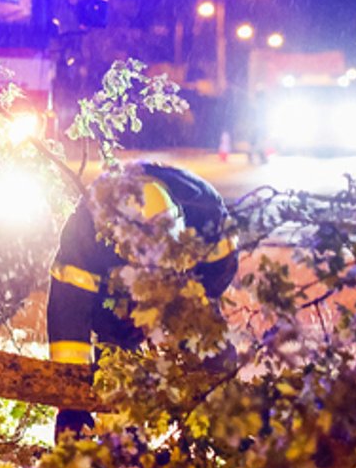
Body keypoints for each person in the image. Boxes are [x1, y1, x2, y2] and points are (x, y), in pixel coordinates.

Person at [49, 161, 236, 439]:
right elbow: (68, 318)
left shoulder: (205, 212)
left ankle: (222, 424)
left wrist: (171, 311)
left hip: (185, 287)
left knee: (205, 340)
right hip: (113, 296)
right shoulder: (86, 236)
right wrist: (70, 399)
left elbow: (218, 275)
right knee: (115, 341)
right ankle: (124, 437)